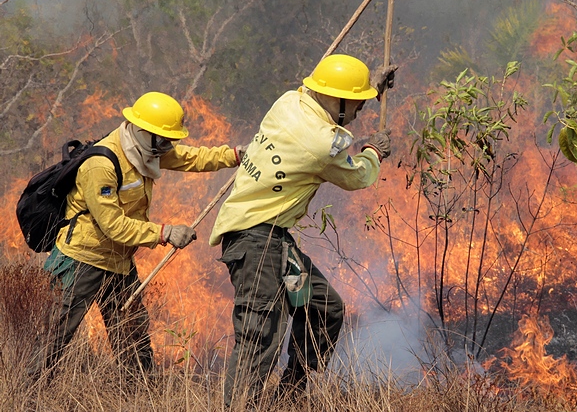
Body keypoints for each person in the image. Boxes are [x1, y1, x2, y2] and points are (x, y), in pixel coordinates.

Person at [210, 54, 395, 407]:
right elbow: (357, 175)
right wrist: (373, 151)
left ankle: (287, 400)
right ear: (337, 102)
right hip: (256, 242)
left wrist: (371, 92)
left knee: (324, 310)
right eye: (355, 105)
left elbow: (332, 120)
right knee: (258, 335)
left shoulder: (290, 101)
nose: (357, 112)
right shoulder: (321, 143)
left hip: (275, 242)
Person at [41, 91, 245, 377]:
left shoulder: (146, 150)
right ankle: (30, 392)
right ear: (141, 130)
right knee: (53, 338)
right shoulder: (101, 165)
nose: (167, 148)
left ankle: (140, 394)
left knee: (133, 336)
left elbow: (190, 157)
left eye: (171, 141)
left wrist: (235, 155)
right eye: (163, 141)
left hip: (119, 263)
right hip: (81, 262)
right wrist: (166, 232)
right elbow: (113, 225)